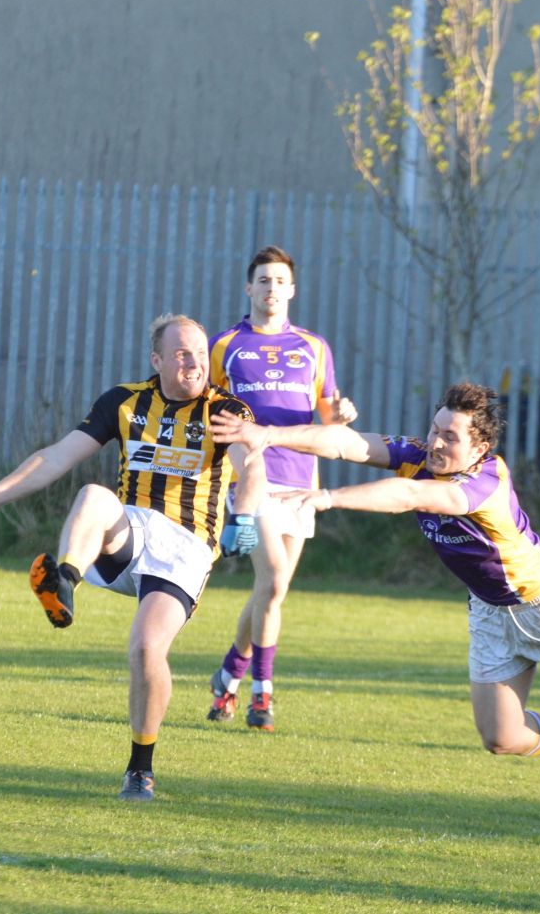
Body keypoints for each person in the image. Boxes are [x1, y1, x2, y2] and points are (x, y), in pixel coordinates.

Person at [210, 383, 540, 827]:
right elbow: (345, 441)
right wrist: (267, 435)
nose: (435, 443)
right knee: (501, 737)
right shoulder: (421, 456)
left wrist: (328, 499)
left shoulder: (483, 481)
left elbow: (408, 497)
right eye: (434, 430)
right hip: (490, 610)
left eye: (449, 437)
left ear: (480, 446)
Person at [0, 313, 266, 802]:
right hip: (130, 530)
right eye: (181, 354)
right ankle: (64, 579)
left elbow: (249, 467)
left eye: (199, 353)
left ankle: (140, 770)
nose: (195, 363)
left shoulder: (224, 408)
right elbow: (57, 456)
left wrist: (246, 516)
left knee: (147, 650)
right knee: (91, 492)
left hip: (188, 547)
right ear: (157, 360)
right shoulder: (125, 403)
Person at [204, 245, 358, 731]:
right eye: (263, 280)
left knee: (273, 589)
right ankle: (260, 696)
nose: (272, 289)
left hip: (301, 481)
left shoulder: (314, 347)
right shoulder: (226, 345)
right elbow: (210, 414)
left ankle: (230, 672)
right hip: (252, 478)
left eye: (280, 281)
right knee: (271, 578)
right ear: (249, 288)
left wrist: (342, 415)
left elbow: (327, 415)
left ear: (292, 290)